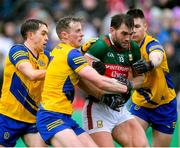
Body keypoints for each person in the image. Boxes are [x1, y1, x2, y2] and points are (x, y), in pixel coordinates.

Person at [36, 16, 130, 147]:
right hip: (51, 117)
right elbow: (99, 81)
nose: (83, 34)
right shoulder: (71, 55)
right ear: (64, 35)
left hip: (64, 117)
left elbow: (70, 66)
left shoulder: (59, 50)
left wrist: (82, 51)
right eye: (78, 31)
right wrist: (126, 87)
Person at [82, 14, 149, 147]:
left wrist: (129, 85)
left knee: (141, 145)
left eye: (130, 34)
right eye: (124, 33)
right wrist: (102, 96)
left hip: (120, 109)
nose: (128, 38)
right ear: (112, 30)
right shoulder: (100, 45)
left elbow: (141, 78)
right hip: (97, 109)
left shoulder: (133, 48)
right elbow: (81, 79)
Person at [127, 9, 177, 147]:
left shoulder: (152, 44)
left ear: (145, 27)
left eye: (137, 26)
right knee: (132, 142)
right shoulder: (125, 48)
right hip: (141, 104)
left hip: (165, 105)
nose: (133, 31)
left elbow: (157, 56)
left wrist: (149, 64)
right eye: (130, 27)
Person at [0, 19, 50, 147]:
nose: (47, 38)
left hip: (32, 119)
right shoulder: (18, 50)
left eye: (47, 34)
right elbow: (32, 74)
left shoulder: (47, 57)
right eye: (43, 34)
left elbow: (66, 62)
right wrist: (56, 71)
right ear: (30, 35)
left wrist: (83, 53)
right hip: (9, 116)